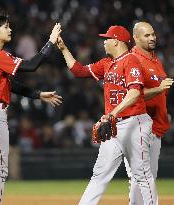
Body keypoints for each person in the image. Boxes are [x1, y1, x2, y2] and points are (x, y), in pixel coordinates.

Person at [0, 12, 62, 205]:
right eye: (6, 27)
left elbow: (11, 84)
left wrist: (37, 94)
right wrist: (51, 42)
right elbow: (32, 65)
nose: (10, 29)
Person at [57, 25, 158, 205]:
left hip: (135, 123)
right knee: (100, 174)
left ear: (117, 41)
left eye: (107, 38)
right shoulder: (106, 63)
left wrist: (112, 113)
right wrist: (63, 48)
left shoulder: (131, 60)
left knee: (141, 175)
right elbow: (78, 71)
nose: (104, 41)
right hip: (114, 125)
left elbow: (135, 93)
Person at [124, 22, 174, 205]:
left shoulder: (154, 58)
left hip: (155, 127)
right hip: (139, 126)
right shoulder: (132, 60)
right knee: (143, 178)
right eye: (146, 35)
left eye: (153, 34)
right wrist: (159, 89)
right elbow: (128, 95)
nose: (152, 38)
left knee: (146, 177)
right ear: (135, 38)